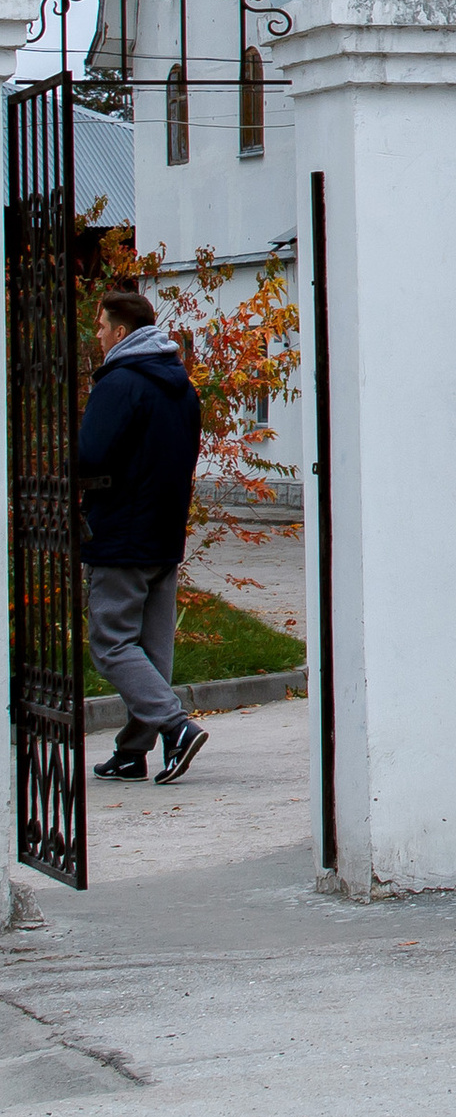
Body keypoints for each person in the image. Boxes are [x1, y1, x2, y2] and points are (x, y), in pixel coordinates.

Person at [78, 287, 209, 785]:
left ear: (122, 332)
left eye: (101, 325)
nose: (97, 334)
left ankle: (175, 728)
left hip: (121, 535)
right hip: (163, 533)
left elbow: (91, 456)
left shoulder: (120, 382)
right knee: (152, 652)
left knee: (111, 643)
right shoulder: (180, 384)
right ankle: (133, 752)